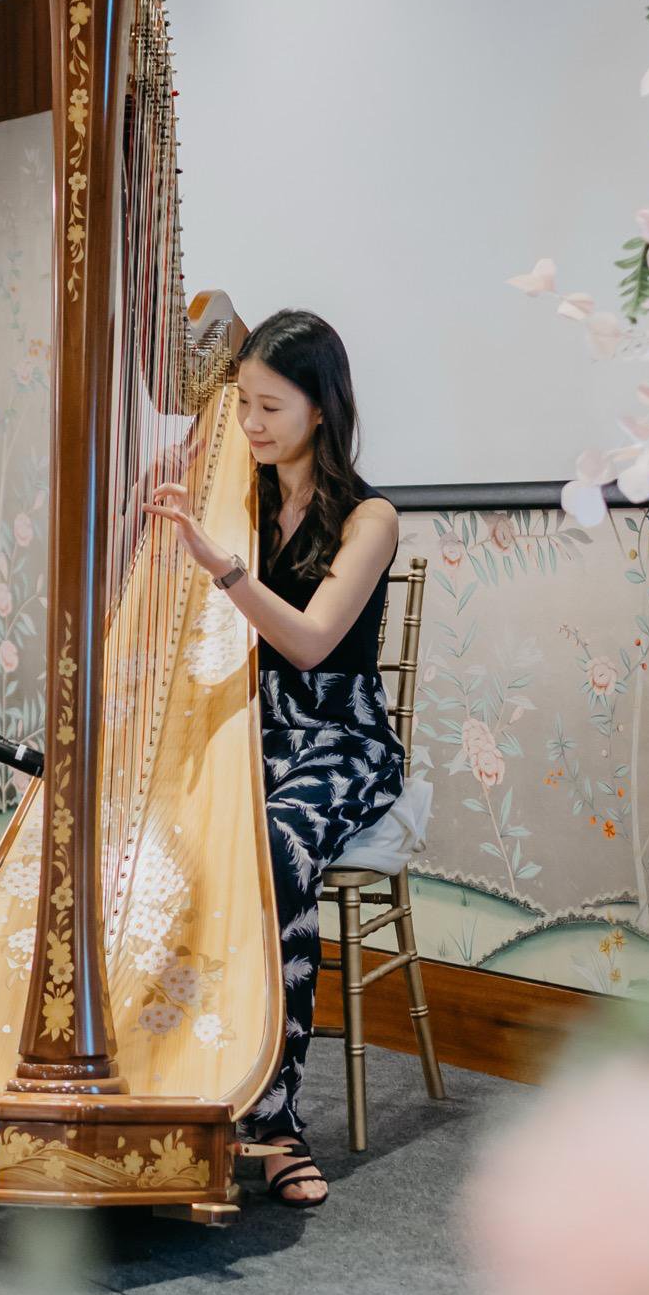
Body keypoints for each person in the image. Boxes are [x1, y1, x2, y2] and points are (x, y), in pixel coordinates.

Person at [143, 308, 404, 1208]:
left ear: (320, 410)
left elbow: (308, 643)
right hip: (258, 731)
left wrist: (222, 566)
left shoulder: (370, 519)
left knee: (277, 847)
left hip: (341, 736)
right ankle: (177, 1082)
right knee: (165, 835)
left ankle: (276, 1119)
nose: (249, 426)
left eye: (269, 408)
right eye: (241, 406)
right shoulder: (236, 500)